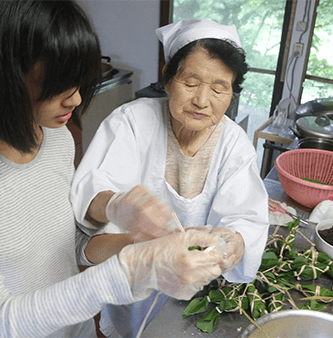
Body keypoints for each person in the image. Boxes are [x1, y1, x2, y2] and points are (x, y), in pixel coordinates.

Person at [0, 2, 226, 337]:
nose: (75, 100)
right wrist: (130, 270)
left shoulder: (56, 136)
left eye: (79, 81)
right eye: (56, 84)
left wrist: (140, 245)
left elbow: (71, 244)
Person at [71, 18, 270, 337]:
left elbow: (246, 217)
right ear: (167, 78)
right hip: (133, 275)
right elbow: (90, 198)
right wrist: (118, 206)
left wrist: (236, 241)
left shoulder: (234, 143)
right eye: (191, 83)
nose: (202, 101)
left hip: (200, 289)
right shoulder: (133, 121)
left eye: (219, 88)